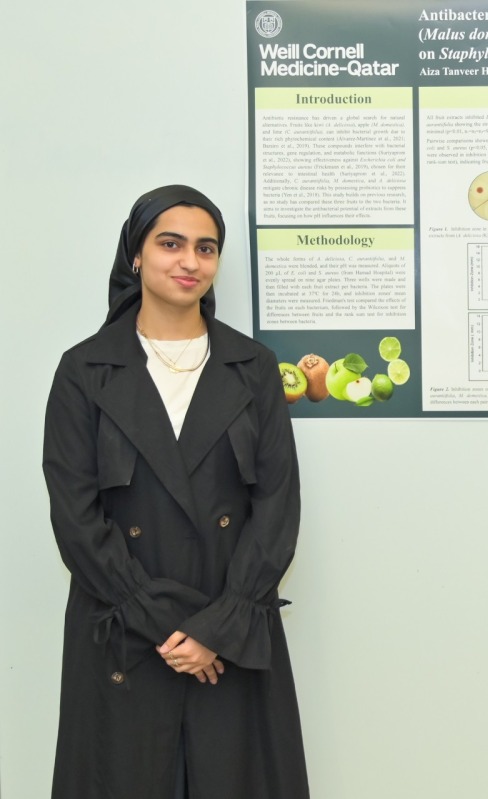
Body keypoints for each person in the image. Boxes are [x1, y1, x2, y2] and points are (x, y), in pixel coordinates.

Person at [42, 185, 309, 798]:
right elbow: (77, 520)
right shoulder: (84, 370)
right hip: (125, 634)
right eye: (171, 244)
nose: (190, 261)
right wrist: (167, 627)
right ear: (135, 255)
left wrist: (219, 626)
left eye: (206, 248)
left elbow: (277, 509)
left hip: (232, 635)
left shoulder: (254, 366)